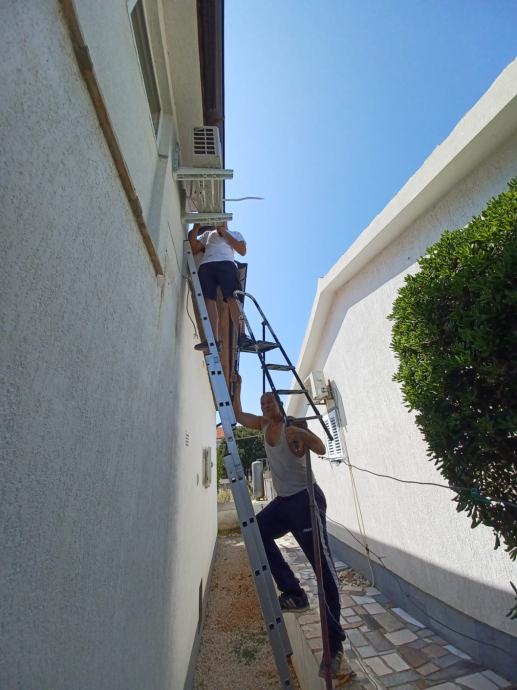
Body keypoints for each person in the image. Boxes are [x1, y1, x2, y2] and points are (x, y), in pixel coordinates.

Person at [231, 372, 347, 676]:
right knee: (256, 530)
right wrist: (238, 387)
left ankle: (334, 646)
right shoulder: (263, 426)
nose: (265, 405)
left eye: (269, 401)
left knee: (323, 571)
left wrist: (304, 437)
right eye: (262, 403)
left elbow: (320, 447)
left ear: (279, 404)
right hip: (283, 503)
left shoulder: (290, 427)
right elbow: (239, 416)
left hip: (305, 502)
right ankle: (294, 592)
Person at [188, 222, 255, 353]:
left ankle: (242, 335)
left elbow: (242, 251)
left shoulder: (235, 234)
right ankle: (213, 339)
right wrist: (196, 228)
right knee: (208, 299)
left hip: (227, 264)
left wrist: (224, 232)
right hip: (207, 265)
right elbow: (194, 248)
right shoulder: (207, 234)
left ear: (225, 221)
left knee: (233, 297)